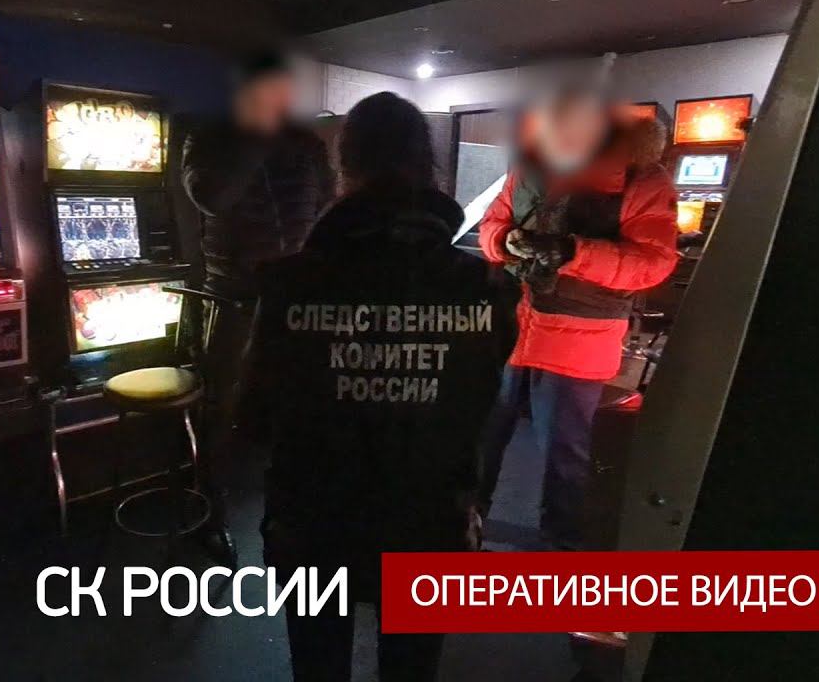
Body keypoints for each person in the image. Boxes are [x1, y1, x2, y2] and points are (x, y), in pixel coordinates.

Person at [249, 92, 514, 681]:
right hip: (431, 519)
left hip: (314, 521)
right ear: (429, 166)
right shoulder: (485, 287)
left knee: (318, 665)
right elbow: (479, 398)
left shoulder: (290, 284)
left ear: (345, 167)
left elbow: (255, 417)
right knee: (412, 669)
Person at [476, 92, 678, 551]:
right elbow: (491, 225)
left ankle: (562, 553)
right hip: (509, 331)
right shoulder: (531, 169)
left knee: (565, 461)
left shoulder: (643, 179)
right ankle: (463, 529)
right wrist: (505, 241)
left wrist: (574, 253)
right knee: (479, 441)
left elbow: (653, 263)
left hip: (578, 343)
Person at [181, 52, 334, 565]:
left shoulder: (306, 144)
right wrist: (255, 139)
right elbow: (211, 196)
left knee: (301, 406)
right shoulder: (210, 137)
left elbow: (324, 204)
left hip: (297, 295)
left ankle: (295, 512)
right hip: (233, 296)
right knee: (220, 408)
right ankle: (210, 513)